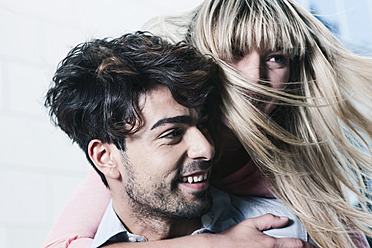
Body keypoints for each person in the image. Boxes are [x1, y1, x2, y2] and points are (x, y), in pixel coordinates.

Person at [43, 0, 372, 247]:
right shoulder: (142, 148)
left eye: (276, 58)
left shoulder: (294, 174)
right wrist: (213, 244)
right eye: (234, 52)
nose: (254, 78)